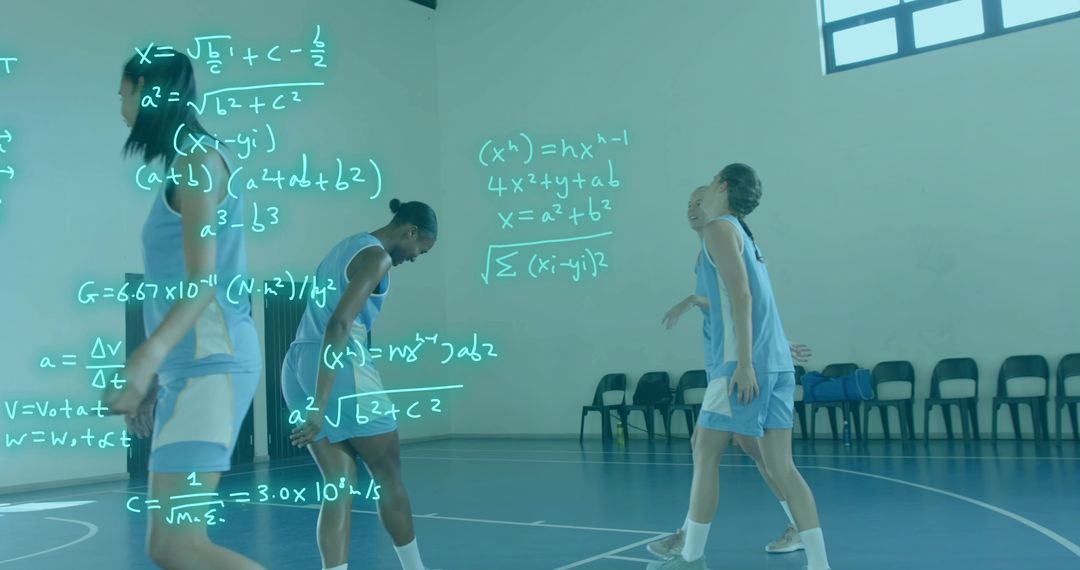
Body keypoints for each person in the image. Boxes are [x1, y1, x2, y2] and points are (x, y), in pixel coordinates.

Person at [103, 50, 264, 569]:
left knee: (178, 544)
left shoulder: (198, 161)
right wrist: (158, 375)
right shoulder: (188, 160)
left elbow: (202, 282)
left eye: (124, 92)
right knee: (166, 546)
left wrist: (144, 360)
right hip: (191, 369)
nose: (120, 105)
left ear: (147, 89)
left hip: (212, 367)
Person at [647, 165, 831, 570]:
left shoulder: (719, 229)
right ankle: (820, 564)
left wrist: (745, 364)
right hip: (774, 365)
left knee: (704, 449)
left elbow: (744, 297)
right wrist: (775, 346)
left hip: (745, 365)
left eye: (709, 186)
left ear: (723, 186)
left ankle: (690, 555)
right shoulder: (744, 233)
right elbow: (753, 300)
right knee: (780, 465)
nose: (700, 200)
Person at [284, 199, 439, 570]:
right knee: (388, 473)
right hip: (340, 365)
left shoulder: (345, 246)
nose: (416, 256)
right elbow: (339, 324)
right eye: (421, 248)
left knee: (338, 483)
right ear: (410, 231)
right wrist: (322, 404)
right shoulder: (377, 258)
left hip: (298, 363)